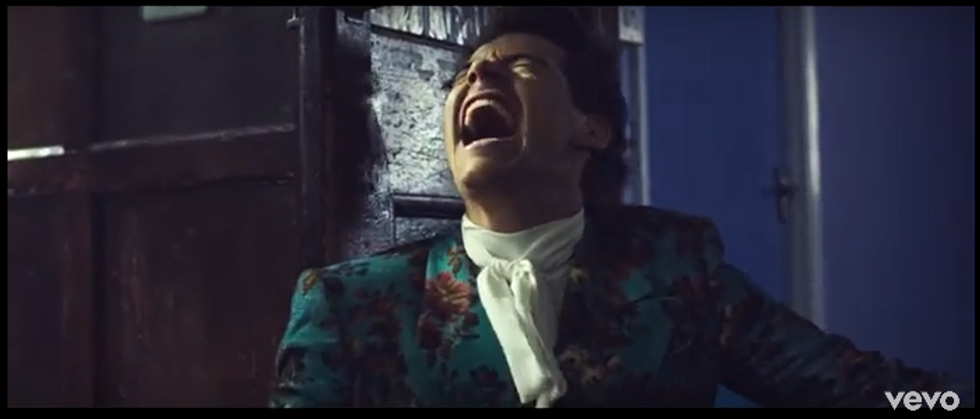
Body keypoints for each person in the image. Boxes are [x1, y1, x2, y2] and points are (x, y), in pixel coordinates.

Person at [269, 7, 974, 408]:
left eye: (520, 66)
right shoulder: (348, 305)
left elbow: (855, 388)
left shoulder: (677, 268)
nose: (477, 73)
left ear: (591, 128)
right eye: (465, 74)